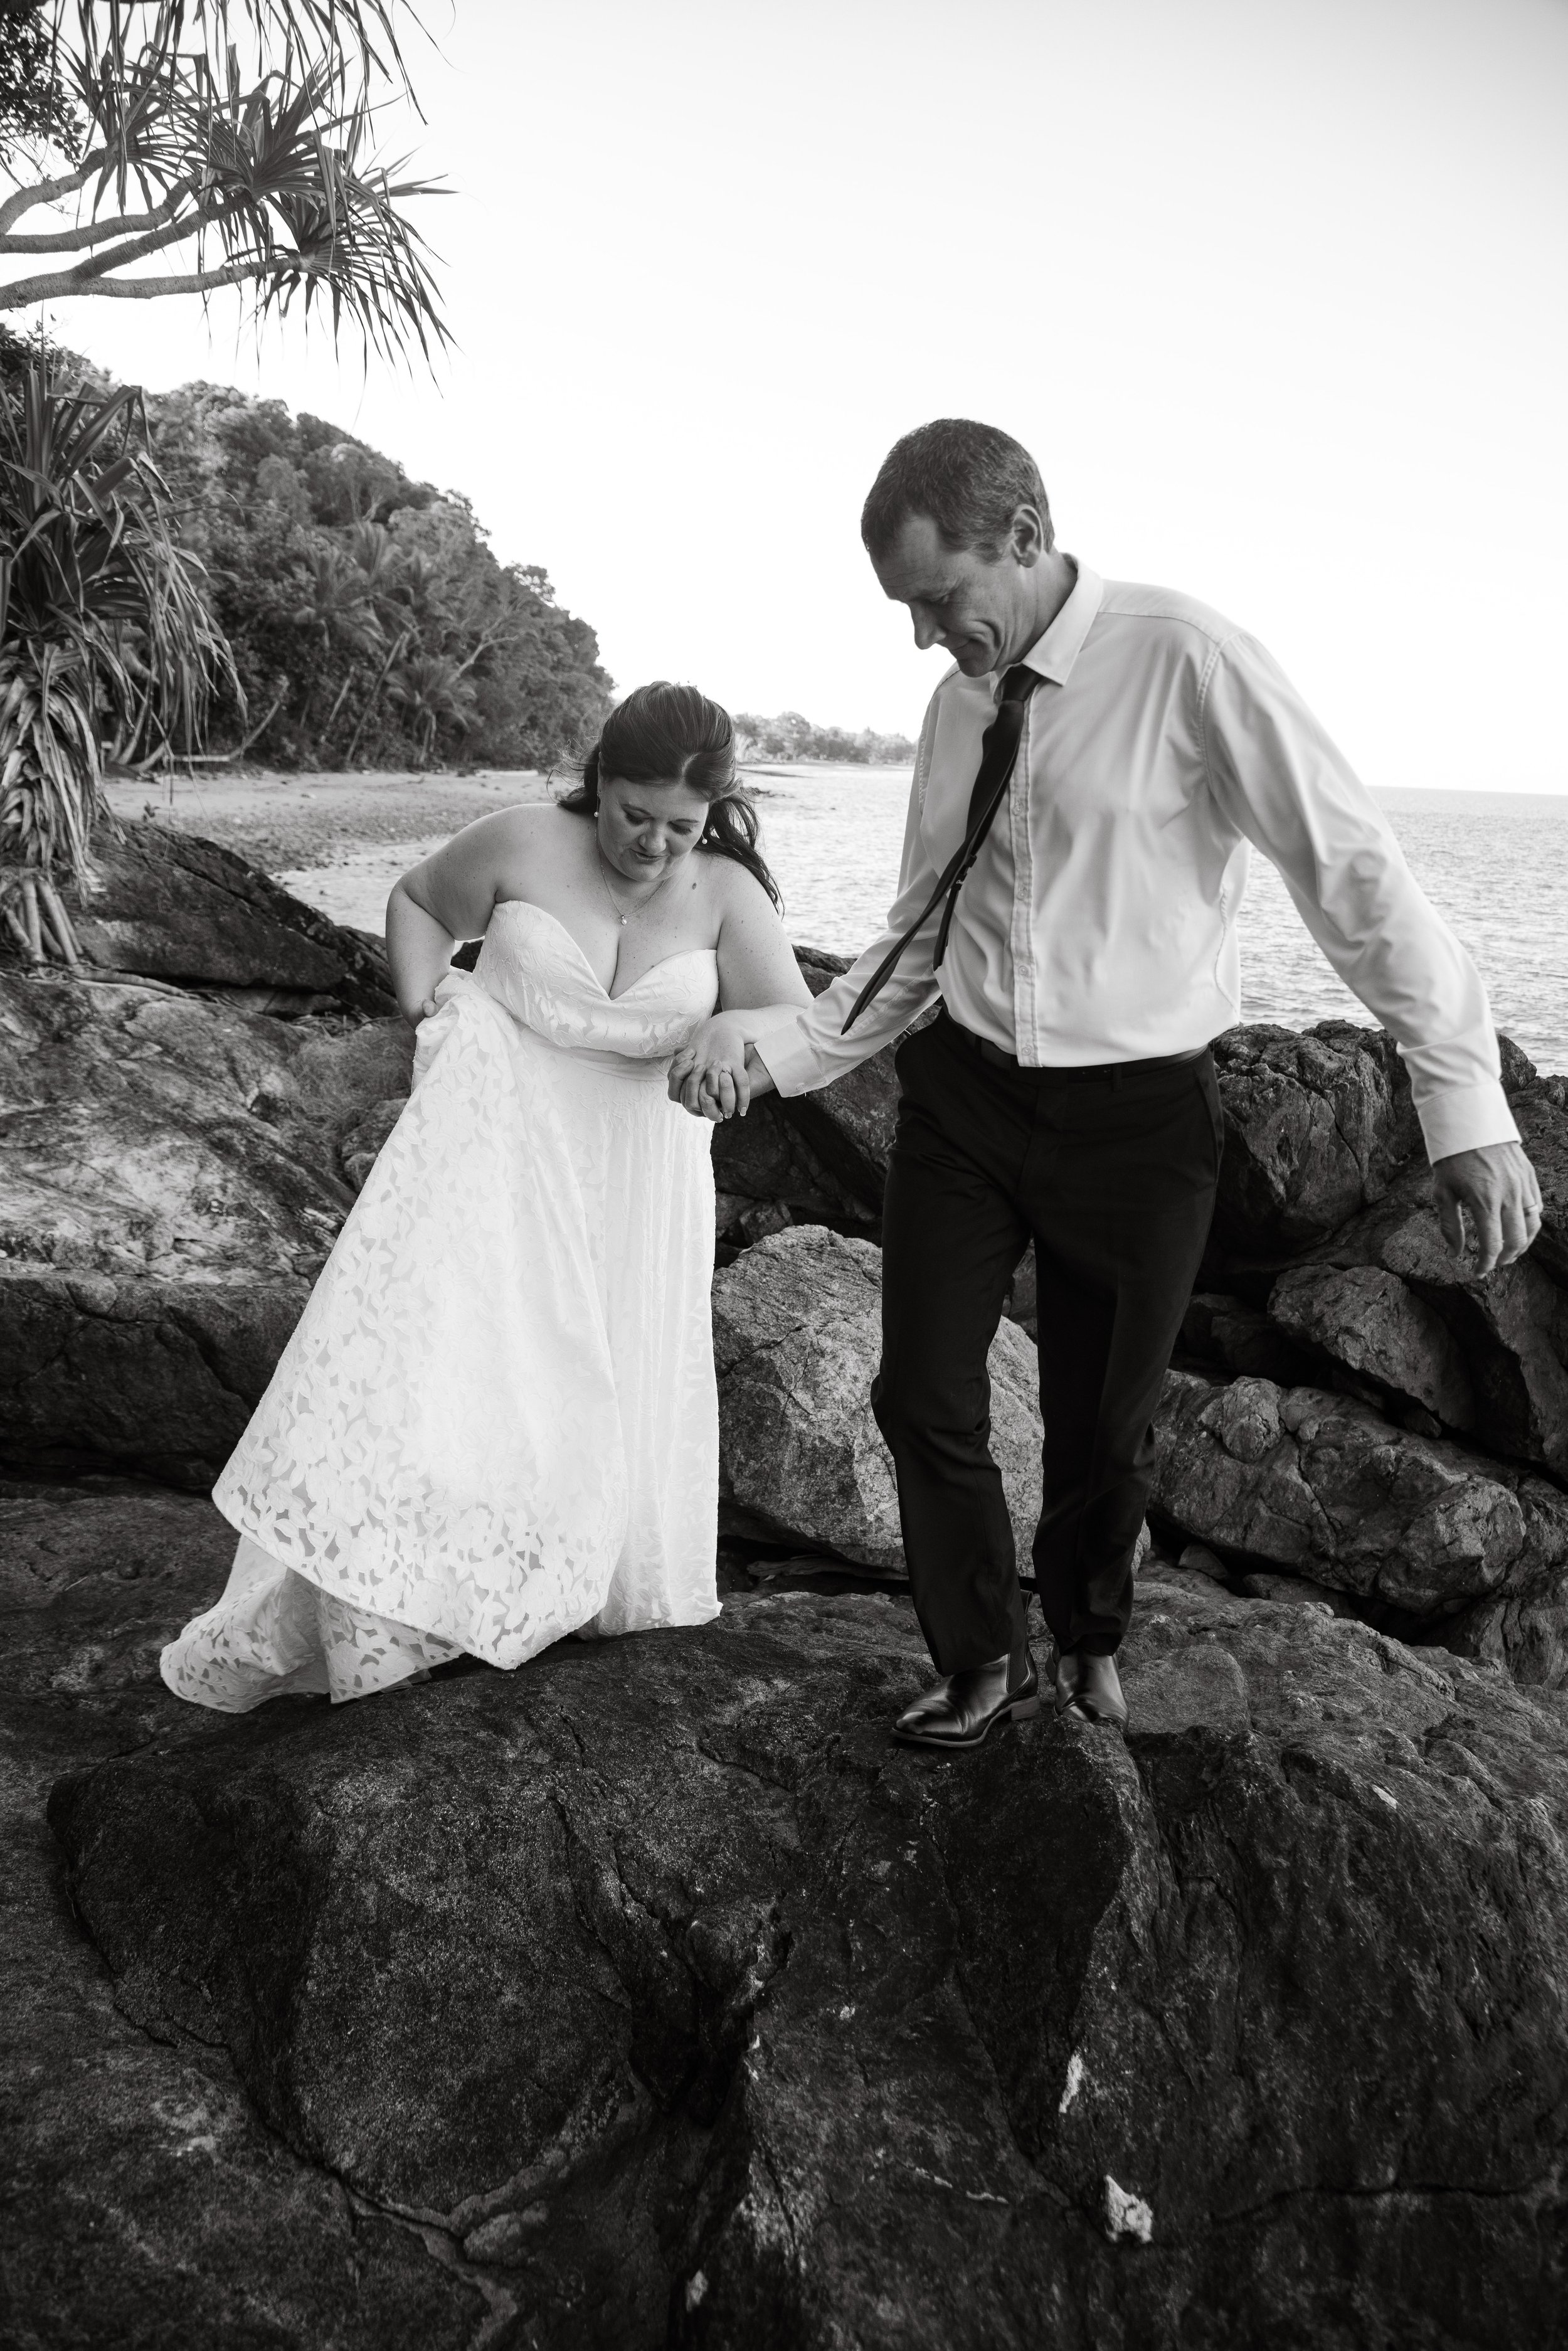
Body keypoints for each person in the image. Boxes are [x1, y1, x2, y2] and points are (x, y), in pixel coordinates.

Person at [670, 418, 1544, 1751]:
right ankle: (978, 1658)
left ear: (1021, 538)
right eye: (904, 609)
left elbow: (1350, 874)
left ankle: (1085, 1634)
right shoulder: (956, 706)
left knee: (1104, 1428)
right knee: (920, 1393)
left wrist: (1461, 1105)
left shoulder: (1185, 657)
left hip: (1138, 1117)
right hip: (965, 1095)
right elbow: (918, 929)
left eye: (934, 599)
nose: (920, 637)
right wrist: (774, 1049)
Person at [161, 682, 812, 1710]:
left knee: (603, 1377)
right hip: (502, 1138)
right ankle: (413, 1601)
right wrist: (431, 1013)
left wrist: (737, 1044)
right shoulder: (522, 839)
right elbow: (418, 901)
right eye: (633, 815)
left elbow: (797, 1032)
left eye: (680, 828)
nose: (651, 844)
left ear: (716, 814)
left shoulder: (729, 894)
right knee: (466, 1372)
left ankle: (573, 1586)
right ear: (598, 782)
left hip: (639, 1172)